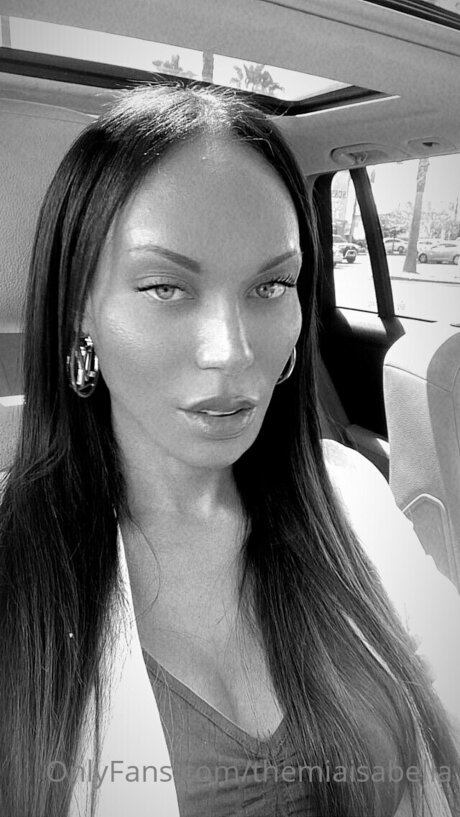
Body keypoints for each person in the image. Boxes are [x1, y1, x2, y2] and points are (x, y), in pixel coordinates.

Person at [0, 83, 459, 817]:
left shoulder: (351, 493)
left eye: (271, 284)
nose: (232, 350)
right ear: (80, 307)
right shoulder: (17, 567)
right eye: (165, 287)